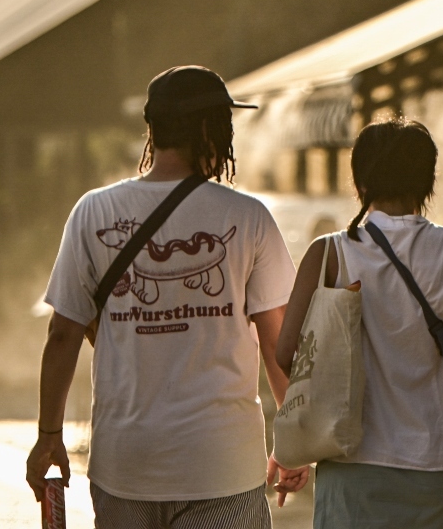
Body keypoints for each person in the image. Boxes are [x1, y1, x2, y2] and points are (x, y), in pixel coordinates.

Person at [25, 66, 308, 527]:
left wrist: (49, 435)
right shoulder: (249, 217)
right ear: (206, 129)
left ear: (152, 130)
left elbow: (62, 334)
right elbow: (278, 341)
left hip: (126, 468)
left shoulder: (94, 211)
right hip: (223, 470)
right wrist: (295, 441)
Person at [275, 118, 443, 528]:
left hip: (353, 461)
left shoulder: (329, 255)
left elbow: (285, 353)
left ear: (359, 182)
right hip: (437, 463)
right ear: (427, 181)